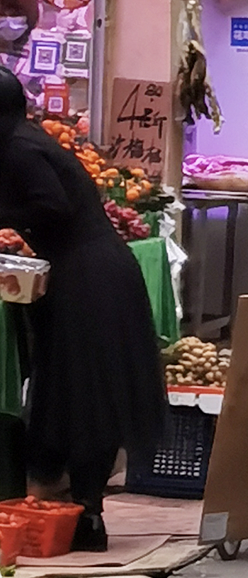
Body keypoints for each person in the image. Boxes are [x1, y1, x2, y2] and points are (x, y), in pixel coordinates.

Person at [0, 66, 163, 550]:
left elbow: (51, 207)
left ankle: (86, 513)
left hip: (87, 275)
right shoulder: (23, 140)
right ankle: (82, 511)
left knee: (83, 397)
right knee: (84, 394)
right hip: (92, 269)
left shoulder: (19, 149)